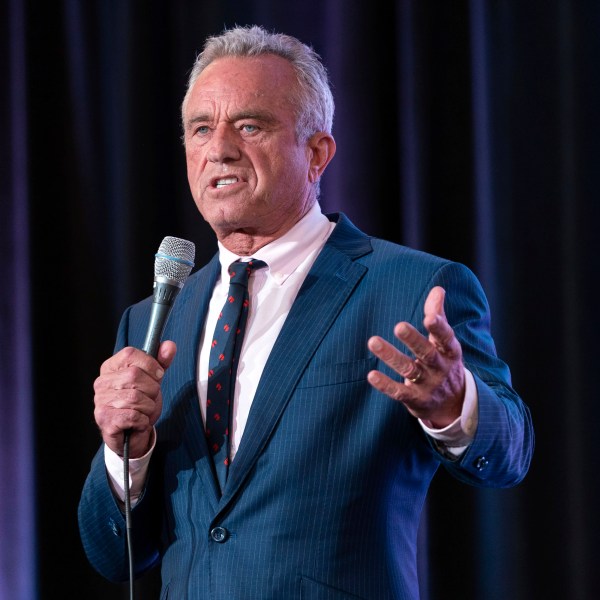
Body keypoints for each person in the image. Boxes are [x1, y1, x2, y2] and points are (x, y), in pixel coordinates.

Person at [78, 24, 534, 600]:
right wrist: (129, 453)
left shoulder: (413, 289)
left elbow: (512, 451)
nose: (218, 147)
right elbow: (109, 551)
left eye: (249, 125)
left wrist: (454, 405)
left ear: (316, 152)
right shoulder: (152, 319)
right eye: (200, 128)